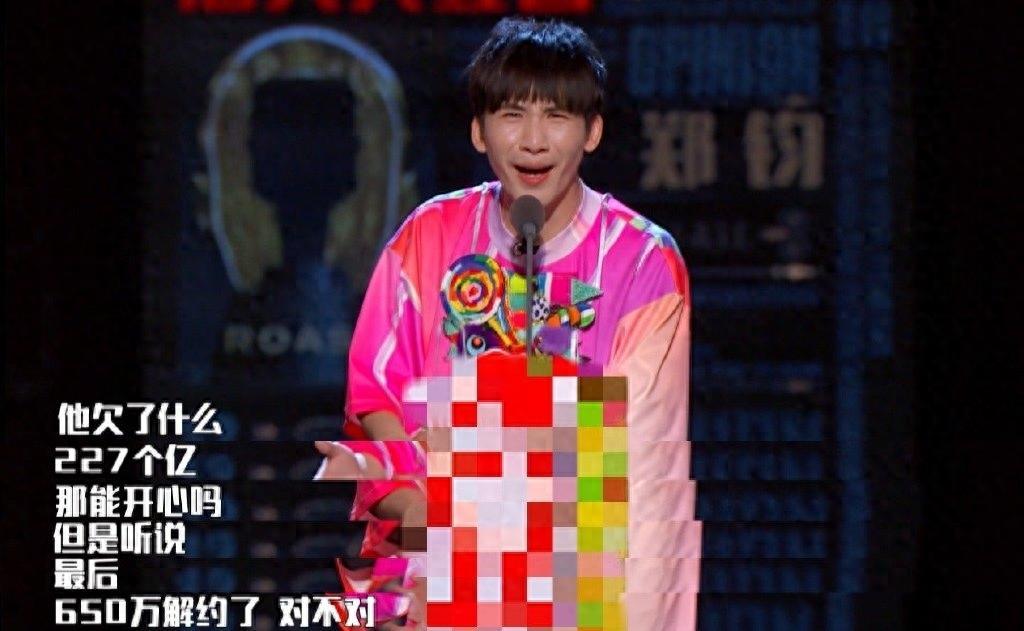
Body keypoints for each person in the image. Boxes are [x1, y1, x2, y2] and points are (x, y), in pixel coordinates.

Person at [316, 16, 699, 629]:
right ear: (479, 130)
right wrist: (428, 533)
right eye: (513, 115)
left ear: (593, 131)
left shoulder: (642, 261)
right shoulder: (428, 236)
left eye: (557, 116)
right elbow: (373, 397)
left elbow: (646, 460)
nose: (534, 142)